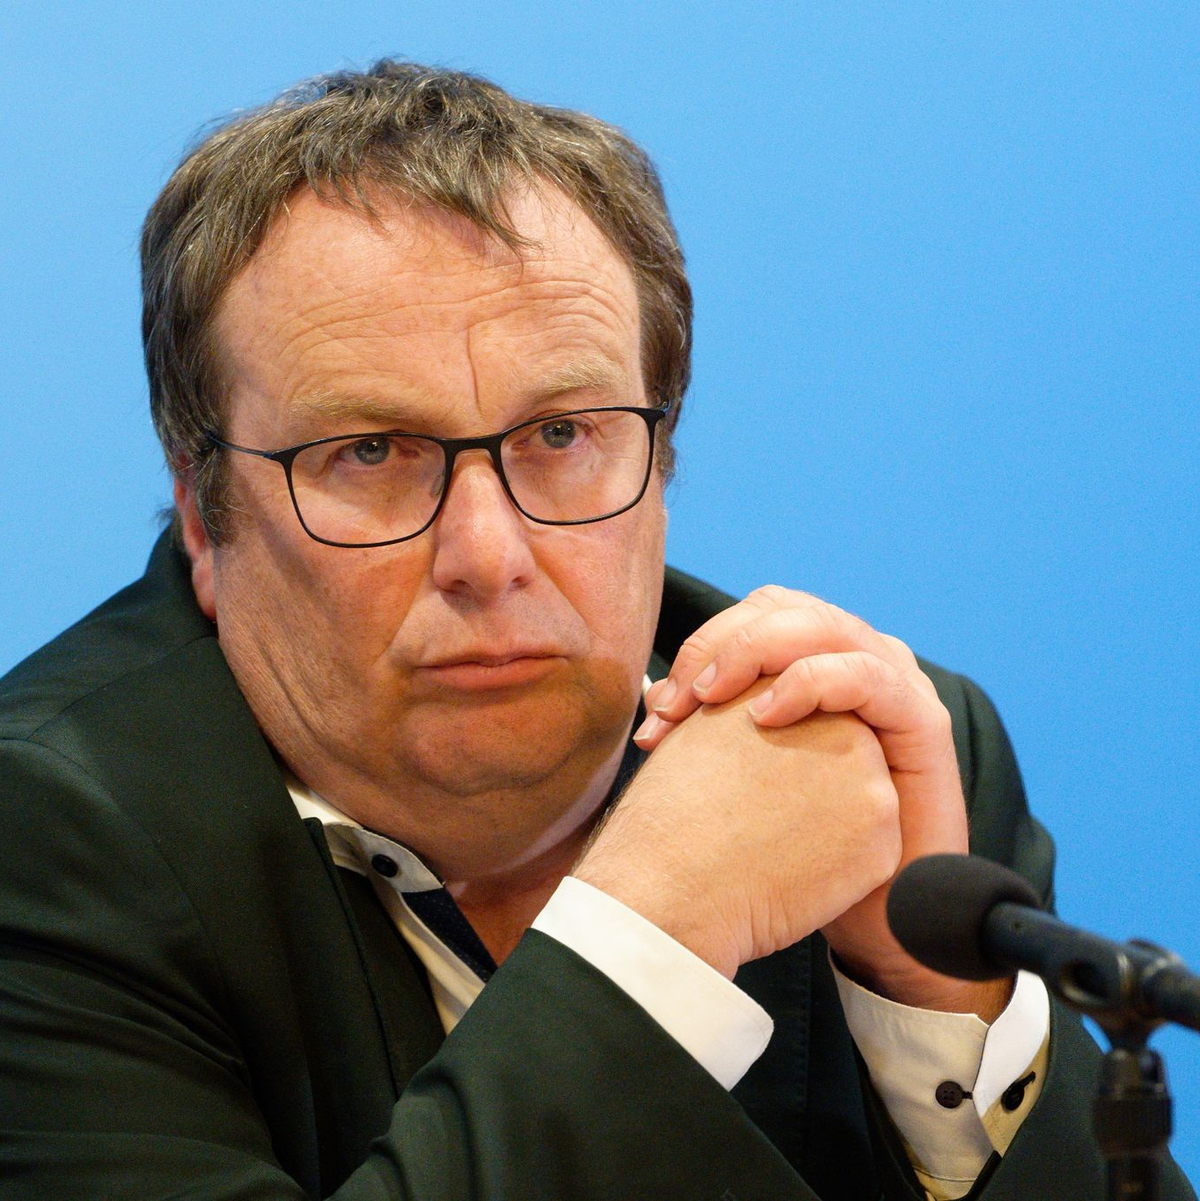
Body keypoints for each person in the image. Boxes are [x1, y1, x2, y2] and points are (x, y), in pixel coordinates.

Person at [0, 61, 1191, 1201]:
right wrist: (651, 932)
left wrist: (938, 998)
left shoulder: (863, 760)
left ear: (662, 459)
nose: (487, 554)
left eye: (563, 436)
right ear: (207, 512)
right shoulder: (47, 842)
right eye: (368, 452)